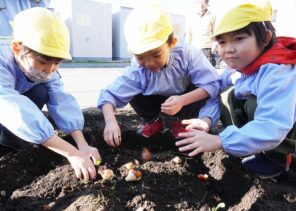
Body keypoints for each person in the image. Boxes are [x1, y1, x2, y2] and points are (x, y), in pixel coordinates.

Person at [176, 0, 296, 179]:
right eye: (222, 42)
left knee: (254, 103)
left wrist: (219, 140)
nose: (229, 49)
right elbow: (216, 92)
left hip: (280, 127)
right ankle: (250, 146)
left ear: (265, 38)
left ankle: (277, 157)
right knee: (225, 94)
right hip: (270, 128)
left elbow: (272, 125)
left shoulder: (278, 70)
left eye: (239, 39)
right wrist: (206, 120)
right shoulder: (236, 69)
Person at [98, 4, 220, 147]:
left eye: (156, 54)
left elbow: (212, 84)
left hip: (185, 101)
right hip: (156, 103)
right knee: (132, 90)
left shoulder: (187, 55)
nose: (149, 63)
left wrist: (182, 100)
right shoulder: (138, 70)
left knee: (203, 89)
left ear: (172, 43)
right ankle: (154, 122)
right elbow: (109, 95)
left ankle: (184, 122)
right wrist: (111, 122)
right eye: (141, 57)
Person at [0, 7, 101, 181]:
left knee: (42, 89)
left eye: (57, 63)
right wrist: (70, 153)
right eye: (43, 62)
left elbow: (61, 98)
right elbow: (10, 107)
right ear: (17, 48)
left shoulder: (47, 71)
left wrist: (82, 144)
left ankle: (10, 143)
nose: (50, 70)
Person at [185, 0, 216, 67]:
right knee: (194, 70)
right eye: (199, 2)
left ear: (207, 3)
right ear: (196, 3)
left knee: (207, 71)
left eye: (203, 2)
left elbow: (215, 32)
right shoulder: (190, 17)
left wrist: (214, 45)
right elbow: (188, 34)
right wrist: (187, 49)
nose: (201, 5)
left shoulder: (212, 16)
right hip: (194, 48)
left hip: (207, 48)